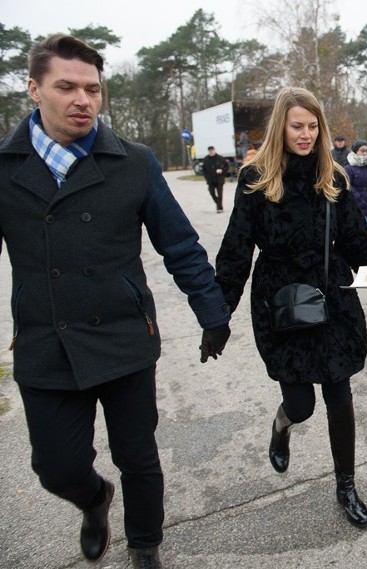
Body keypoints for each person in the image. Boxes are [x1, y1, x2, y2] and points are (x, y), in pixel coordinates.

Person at [0, 34, 232, 569]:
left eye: (92, 89)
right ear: (35, 89)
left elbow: (179, 243)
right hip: (44, 341)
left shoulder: (134, 161)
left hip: (125, 336)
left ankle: (146, 543)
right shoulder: (6, 166)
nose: (82, 99)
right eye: (66, 87)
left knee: (139, 458)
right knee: (56, 468)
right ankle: (93, 498)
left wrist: (213, 312)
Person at [214, 86, 367, 528]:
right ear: (280, 128)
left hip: (332, 296)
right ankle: (282, 426)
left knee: (339, 393)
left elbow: (356, 243)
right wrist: (219, 313)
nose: (306, 135)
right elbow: (236, 251)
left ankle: (346, 484)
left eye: (313, 127)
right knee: (301, 403)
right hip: (281, 301)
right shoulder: (255, 180)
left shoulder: (334, 179)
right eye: (297, 126)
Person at [343, 139, 367, 231]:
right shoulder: (348, 168)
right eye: (362, 150)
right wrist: (359, 199)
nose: (365, 153)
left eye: (366, 151)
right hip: (356, 206)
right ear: (356, 151)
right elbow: (348, 186)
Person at [202, 145, 228, 213]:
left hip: (219, 179)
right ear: (208, 151)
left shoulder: (220, 158)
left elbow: (226, 167)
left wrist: (222, 170)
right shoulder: (206, 159)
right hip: (210, 180)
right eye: (210, 150)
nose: (211, 152)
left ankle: (220, 208)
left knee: (220, 194)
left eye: (212, 150)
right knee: (212, 192)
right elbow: (203, 170)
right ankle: (218, 204)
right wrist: (206, 178)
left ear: (214, 150)